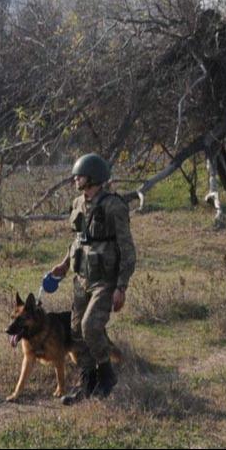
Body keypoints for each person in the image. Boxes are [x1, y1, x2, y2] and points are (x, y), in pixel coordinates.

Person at [50, 153, 136, 405]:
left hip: (105, 280)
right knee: (76, 331)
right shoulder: (78, 203)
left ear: (94, 178)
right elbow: (79, 239)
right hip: (81, 277)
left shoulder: (113, 206)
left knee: (90, 327)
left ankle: (106, 375)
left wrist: (121, 286)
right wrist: (65, 264)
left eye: (81, 175)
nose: (76, 178)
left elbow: (127, 248)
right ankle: (87, 383)